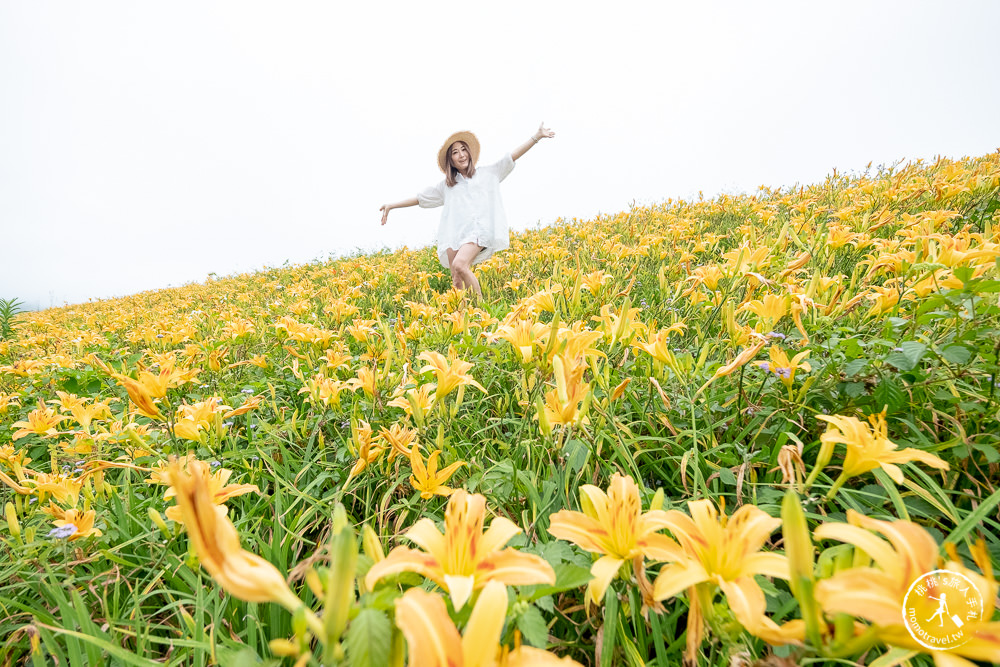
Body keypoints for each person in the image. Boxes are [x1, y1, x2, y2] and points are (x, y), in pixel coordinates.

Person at [380, 123, 555, 297]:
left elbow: (511, 157)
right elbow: (420, 198)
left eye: (463, 149)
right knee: (456, 280)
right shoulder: (447, 186)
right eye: (455, 152)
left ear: (469, 153)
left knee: (460, 265)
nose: (461, 155)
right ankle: (462, 319)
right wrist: (392, 206)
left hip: (478, 231)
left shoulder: (488, 173)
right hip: (453, 235)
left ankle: (481, 311)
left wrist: (536, 137)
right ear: (451, 160)